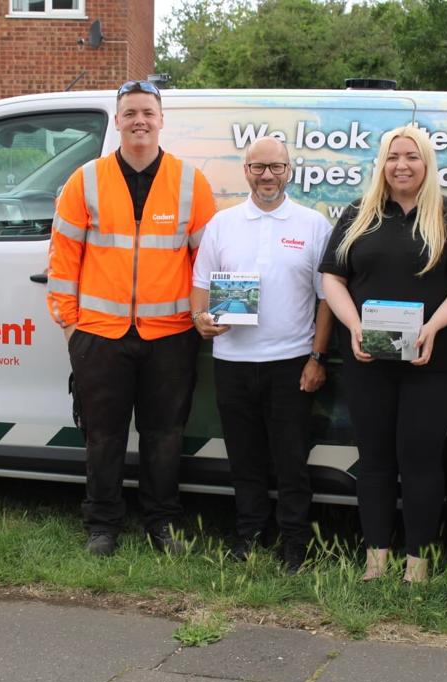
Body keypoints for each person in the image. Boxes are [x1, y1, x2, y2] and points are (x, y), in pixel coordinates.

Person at [46, 79, 217, 556]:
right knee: (103, 435)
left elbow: (208, 260)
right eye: (130, 113)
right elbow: (63, 258)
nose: (139, 120)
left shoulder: (190, 182)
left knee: (165, 436)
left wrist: (206, 316)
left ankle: (162, 524)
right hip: (99, 335)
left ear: (161, 120)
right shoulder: (87, 180)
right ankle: (102, 525)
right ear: (117, 121)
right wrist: (70, 327)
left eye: (147, 112)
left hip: (171, 334)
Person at [320, 126, 447, 583]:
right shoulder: (359, 214)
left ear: (427, 163)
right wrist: (353, 326)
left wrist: (432, 328)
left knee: (421, 459)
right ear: (382, 164)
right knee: (373, 459)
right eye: (393, 157)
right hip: (367, 358)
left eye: (412, 157)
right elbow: (332, 278)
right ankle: (376, 560)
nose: (402, 165)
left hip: (430, 360)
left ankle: (418, 565)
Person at [190, 136, 334, 574]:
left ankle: (295, 543)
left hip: (291, 361)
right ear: (246, 170)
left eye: (275, 167)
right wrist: (200, 318)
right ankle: (249, 535)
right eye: (257, 167)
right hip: (232, 360)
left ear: (290, 169)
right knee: (244, 458)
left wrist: (318, 357)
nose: (267, 175)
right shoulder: (222, 224)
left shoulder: (313, 225)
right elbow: (200, 287)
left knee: (291, 461)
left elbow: (327, 299)